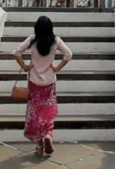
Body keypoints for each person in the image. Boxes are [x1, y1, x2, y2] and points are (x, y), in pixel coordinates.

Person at [12, 16, 73, 157]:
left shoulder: (32, 40)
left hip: (34, 82)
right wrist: (57, 68)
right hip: (49, 82)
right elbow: (68, 54)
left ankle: (39, 147)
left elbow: (16, 52)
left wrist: (25, 66)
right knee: (48, 112)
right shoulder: (55, 40)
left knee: (35, 115)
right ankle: (48, 135)